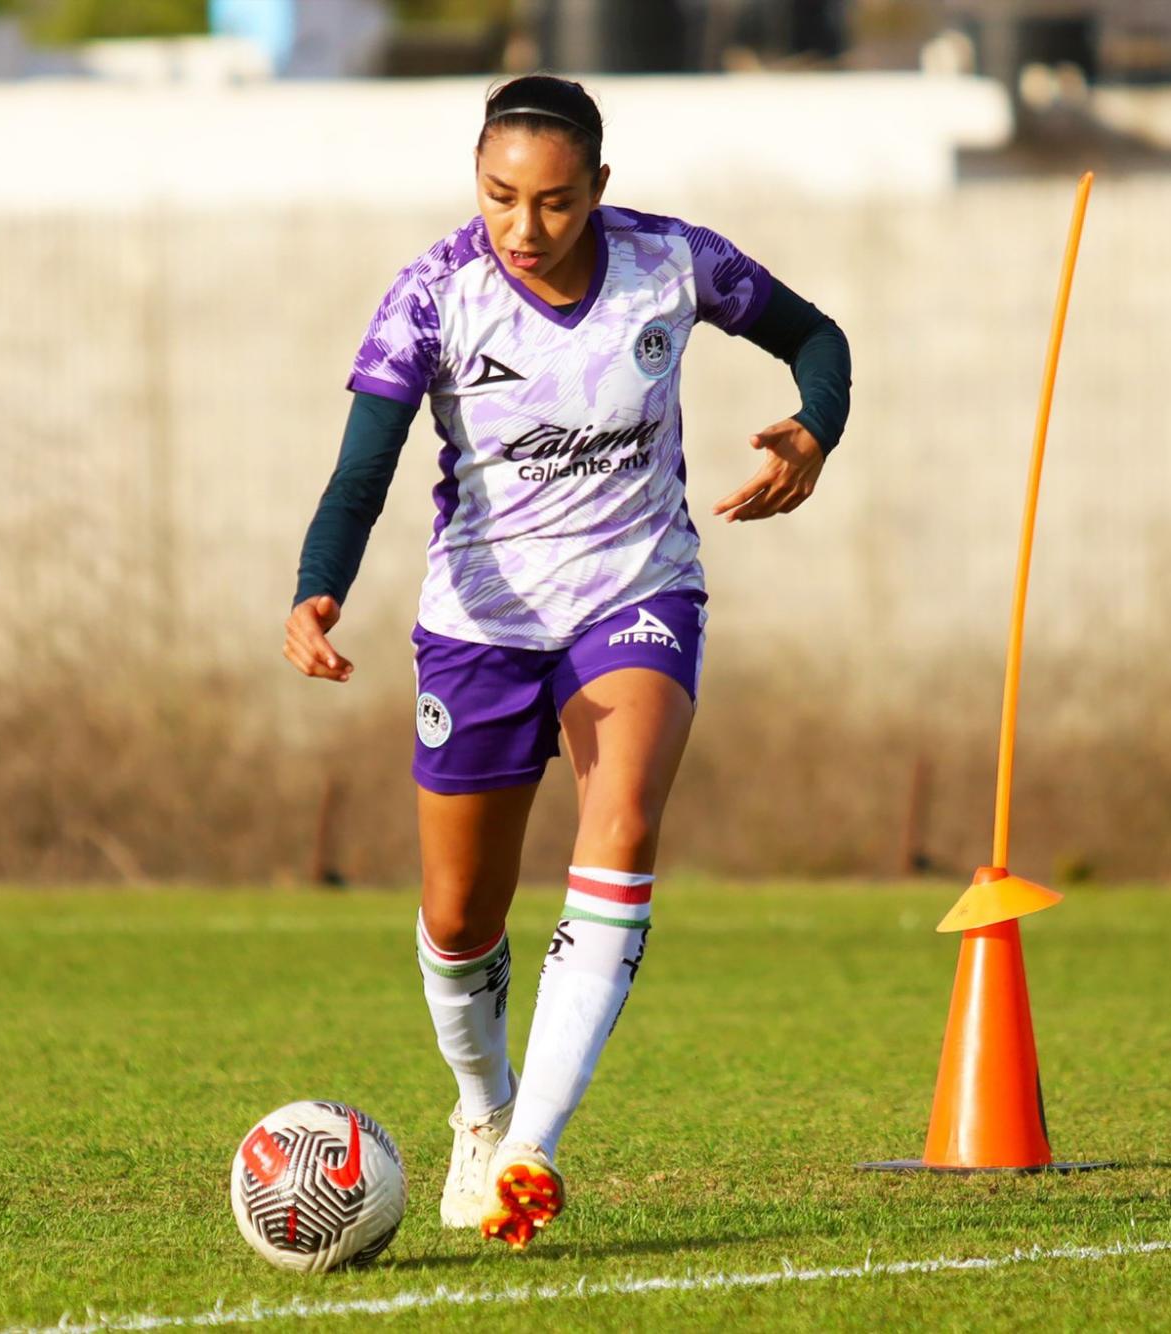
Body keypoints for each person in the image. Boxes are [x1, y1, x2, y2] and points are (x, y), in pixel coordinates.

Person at [283, 74, 851, 1249]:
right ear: (474, 185)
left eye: (552, 202)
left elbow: (815, 336)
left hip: (635, 595)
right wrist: (316, 586)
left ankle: (532, 1145)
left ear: (598, 187)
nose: (525, 229)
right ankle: (483, 1111)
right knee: (457, 918)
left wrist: (814, 425)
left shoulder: (671, 264)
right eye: (500, 198)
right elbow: (361, 471)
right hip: (479, 626)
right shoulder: (430, 296)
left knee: (625, 819)